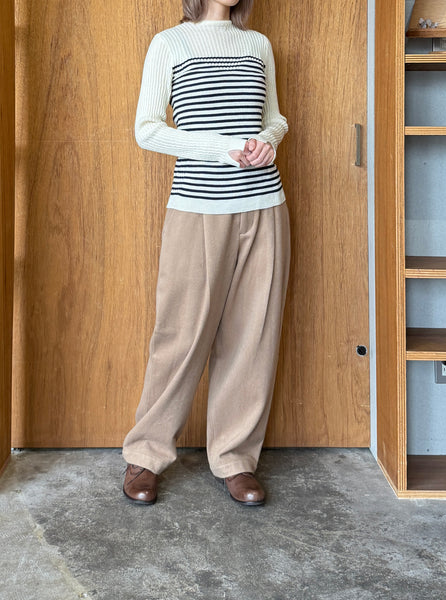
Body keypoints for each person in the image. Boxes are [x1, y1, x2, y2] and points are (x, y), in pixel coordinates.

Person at [122, 0, 290, 507]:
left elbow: (275, 118)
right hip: (197, 208)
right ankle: (146, 455)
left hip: (265, 206)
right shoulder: (170, 43)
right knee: (180, 334)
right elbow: (147, 129)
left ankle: (236, 459)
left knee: (252, 336)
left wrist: (267, 141)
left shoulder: (257, 44)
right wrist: (221, 148)